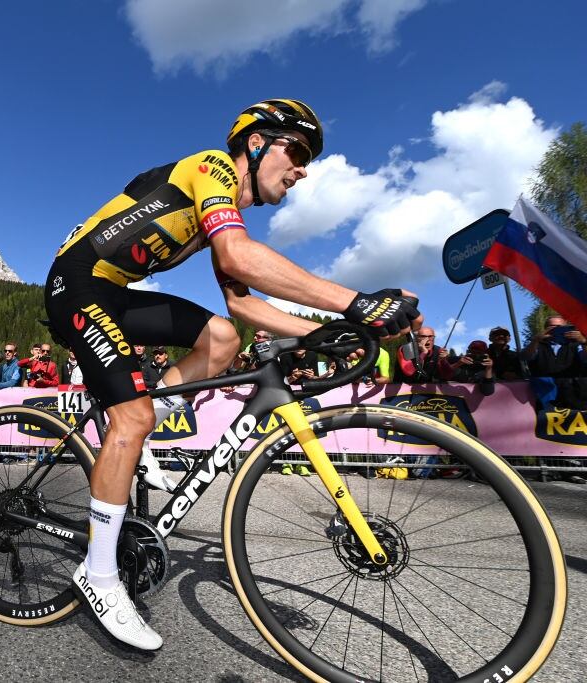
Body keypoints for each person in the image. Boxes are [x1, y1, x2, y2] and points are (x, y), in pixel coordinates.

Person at [44, 99, 421, 650]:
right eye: (295, 150)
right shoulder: (211, 169)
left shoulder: (223, 217)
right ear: (255, 143)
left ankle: (135, 438)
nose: (303, 169)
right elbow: (242, 258)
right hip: (75, 283)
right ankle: (99, 575)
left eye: (308, 158)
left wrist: (318, 333)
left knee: (221, 336)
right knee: (133, 416)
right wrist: (357, 302)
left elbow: (244, 306)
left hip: (114, 291)